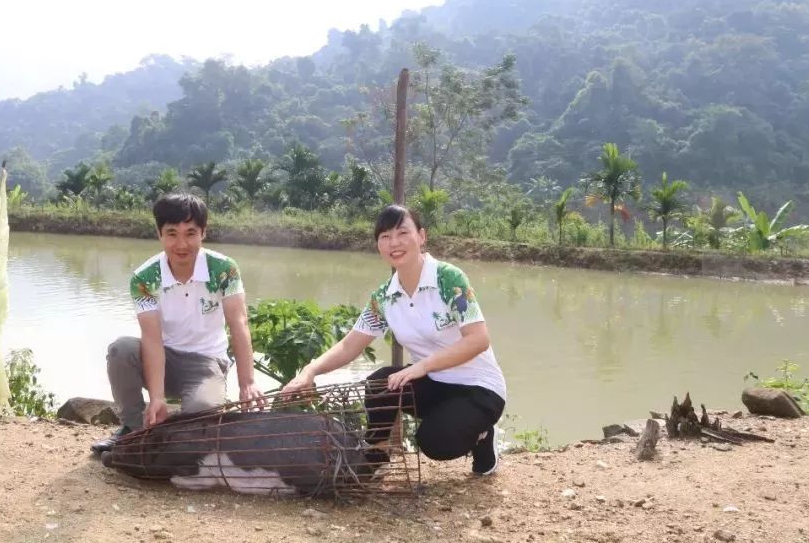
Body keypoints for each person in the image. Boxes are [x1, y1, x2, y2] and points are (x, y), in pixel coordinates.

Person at [281, 205, 507, 475]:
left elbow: (478, 340)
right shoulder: (385, 297)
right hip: (435, 385)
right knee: (379, 383)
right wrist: (310, 370)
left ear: (421, 236)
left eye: (403, 232)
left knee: (434, 442)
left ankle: (482, 435)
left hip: (479, 388)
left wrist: (422, 366)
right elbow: (350, 344)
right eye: (385, 236)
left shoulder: (448, 279)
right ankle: (376, 454)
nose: (394, 243)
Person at [91, 193, 265, 454]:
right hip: (164, 358)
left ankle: (176, 431)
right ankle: (133, 429)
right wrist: (157, 397)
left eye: (190, 233)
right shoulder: (144, 277)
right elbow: (151, 337)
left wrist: (247, 383)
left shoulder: (224, 269)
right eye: (172, 233)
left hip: (206, 362)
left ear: (203, 233)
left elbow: (239, 324)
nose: (181, 244)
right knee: (121, 349)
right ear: (159, 234)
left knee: (200, 420)